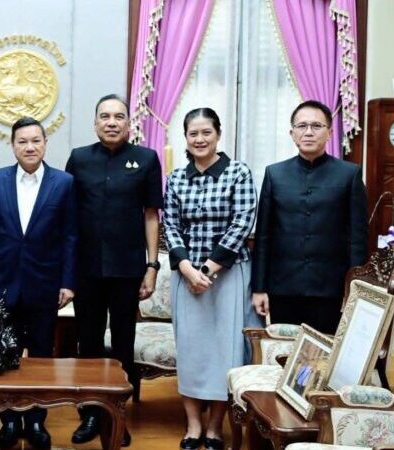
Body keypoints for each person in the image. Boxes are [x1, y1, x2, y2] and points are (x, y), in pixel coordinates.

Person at [65, 94, 162, 447]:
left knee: (123, 342)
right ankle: (90, 413)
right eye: (104, 116)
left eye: (118, 116)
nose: (111, 122)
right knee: (87, 342)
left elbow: (152, 215)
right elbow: (69, 217)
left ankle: (117, 415)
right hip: (87, 269)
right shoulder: (79, 159)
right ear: (95, 123)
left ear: (128, 123)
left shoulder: (146, 159)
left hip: (127, 269)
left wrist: (152, 266)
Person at [163, 107, 261, 450]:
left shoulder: (238, 172)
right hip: (186, 276)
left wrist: (207, 269)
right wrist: (188, 269)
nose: (199, 139)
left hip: (229, 275)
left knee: (226, 350)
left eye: (206, 132)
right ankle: (193, 425)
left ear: (218, 134)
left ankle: (216, 426)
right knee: (190, 351)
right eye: (193, 134)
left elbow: (241, 224)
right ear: (185, 139)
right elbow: (170, 227)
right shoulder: (175, 178)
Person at [0, 117, 77, 449]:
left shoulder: (63, 183)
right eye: (22, 141)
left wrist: (68, 282)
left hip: (45, 283)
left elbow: (69, 237)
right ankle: (8, 422)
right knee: (3, 353)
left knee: (40, 356)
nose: (30, 147)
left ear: (46, 144)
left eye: (36, 140)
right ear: (12, 145)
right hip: (4, 281)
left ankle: (36, 421)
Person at [251, 100, 368, 334]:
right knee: (284, 354)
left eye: (316, 126)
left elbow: (358, 238)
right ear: (292, 133)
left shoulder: (349, 174)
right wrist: (259, 287)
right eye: (302, 126)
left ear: (329, 132)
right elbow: (263, 236)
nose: (308, 132)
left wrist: (353, 288)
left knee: (324, 355)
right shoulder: (275, 174)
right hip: (283, 285)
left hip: (331, 287)